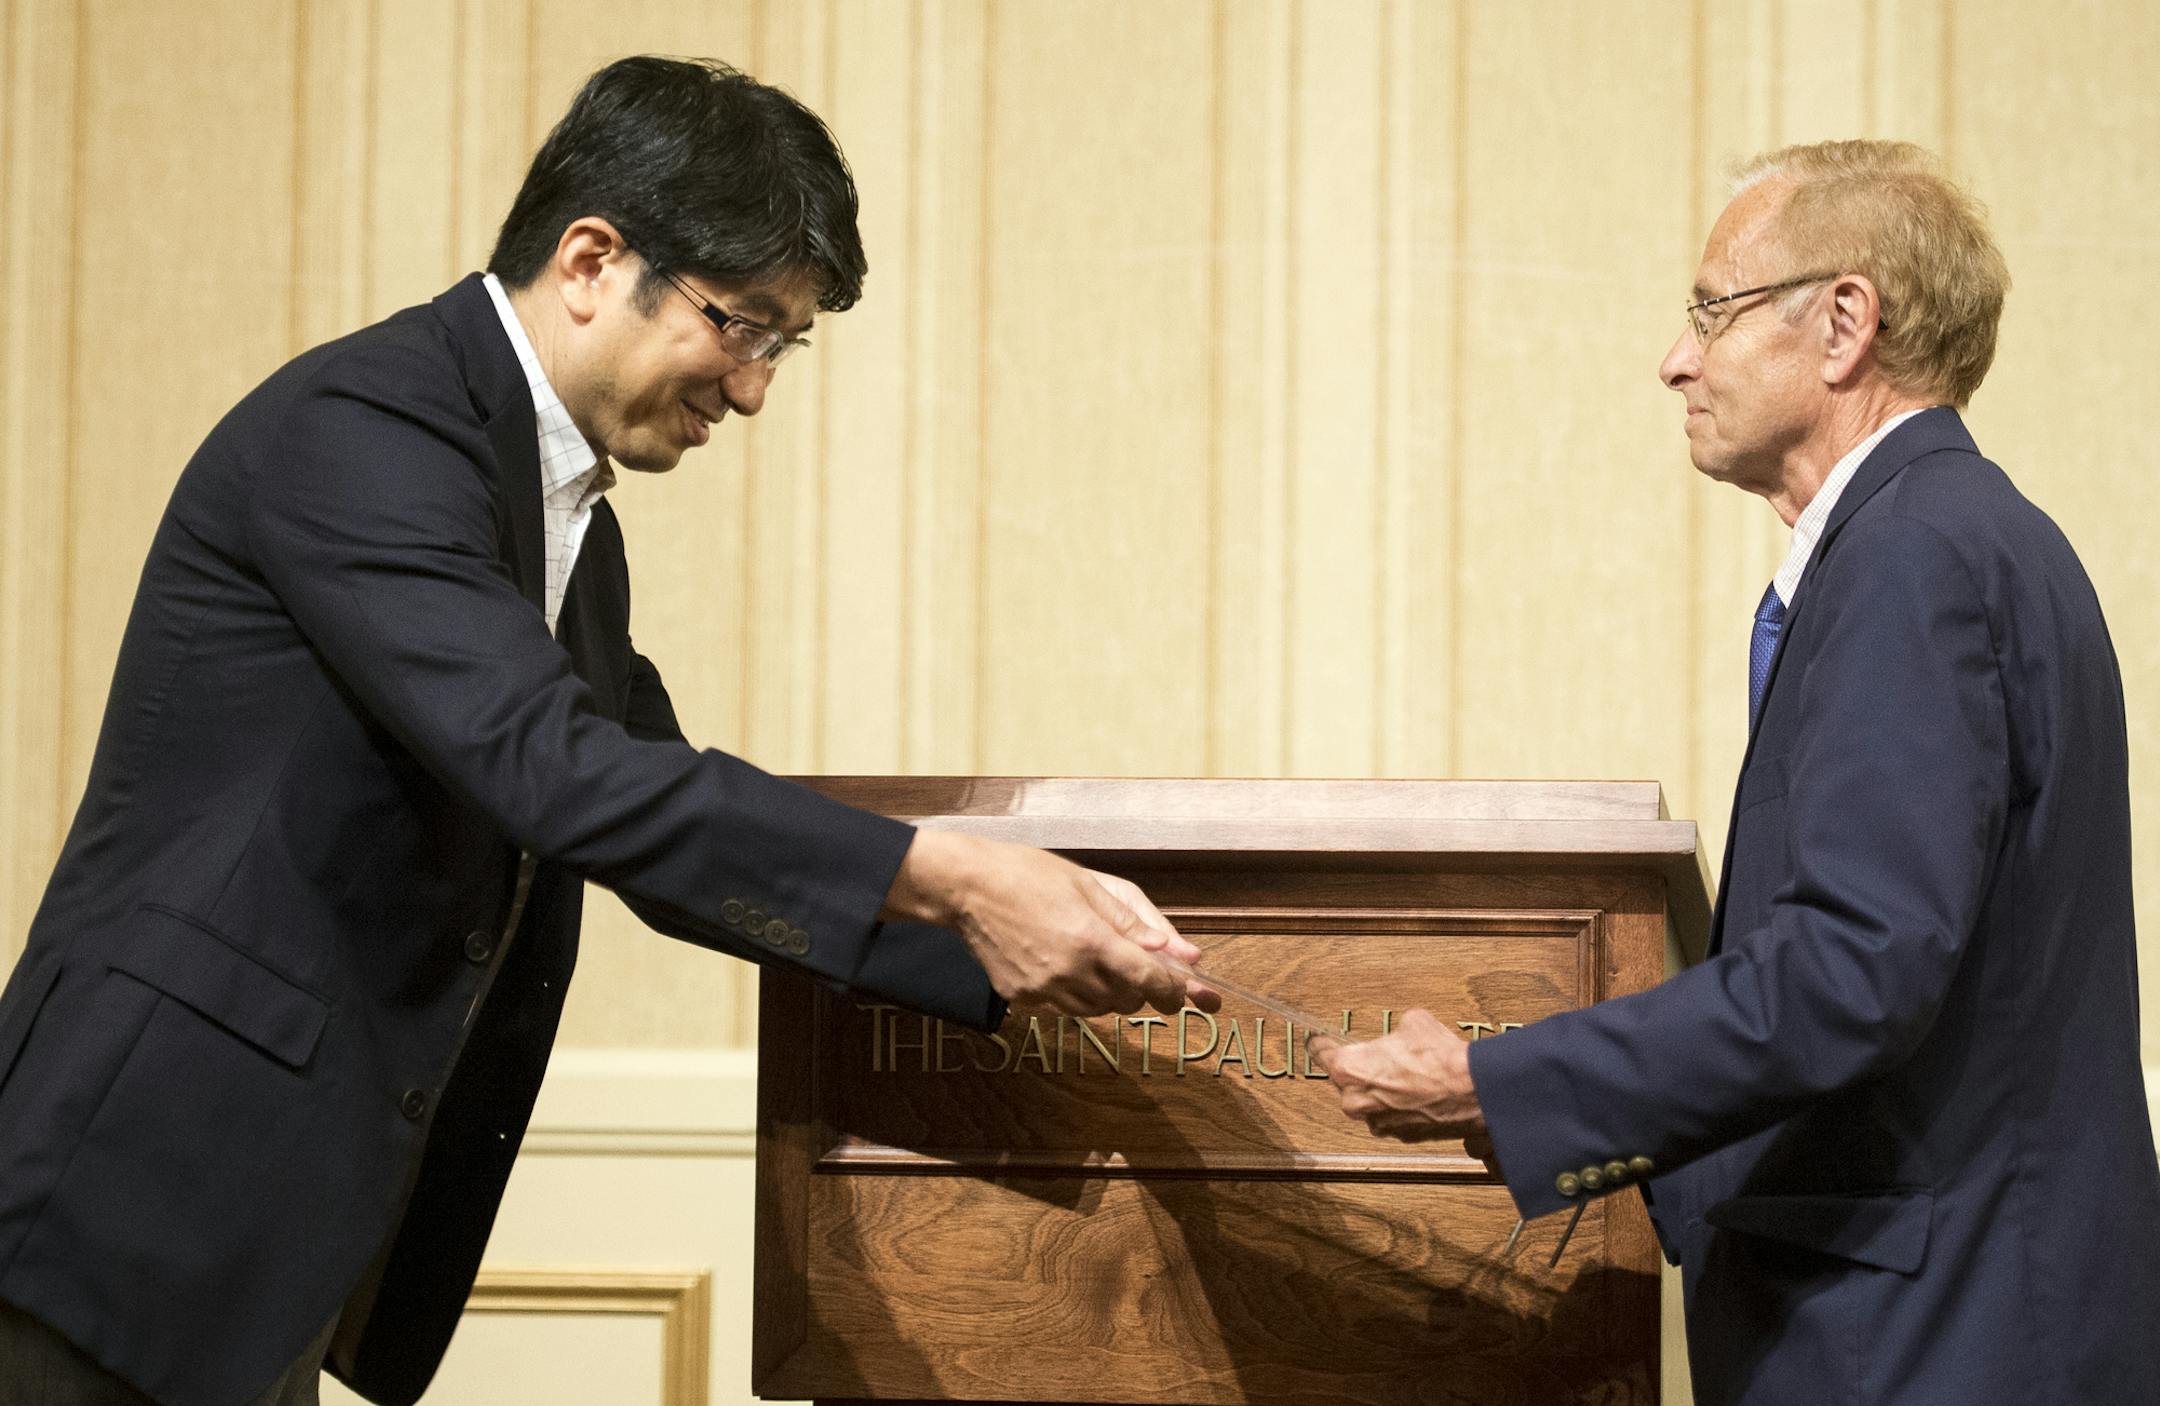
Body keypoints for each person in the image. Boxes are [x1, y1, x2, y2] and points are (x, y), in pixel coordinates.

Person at [0, 56, 1212, 1406]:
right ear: (589, 259)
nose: (753, 390)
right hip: (119, 1203)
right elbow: (562, 774)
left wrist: (999, 960)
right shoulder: (368, 430)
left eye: (782, 347)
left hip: (262, 1235)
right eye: (742, 325)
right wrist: (962, 872)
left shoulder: (564, 513)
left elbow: (659, 824)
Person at [1319, 139, 2160, 1402]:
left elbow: (1852, 968)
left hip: (1932, 1343)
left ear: (1842, 324)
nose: (1676, 357)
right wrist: (1579, 1133)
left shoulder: (1914, 555)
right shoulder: (1963, 538)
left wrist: (1502, 1078)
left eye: (1710, 309)